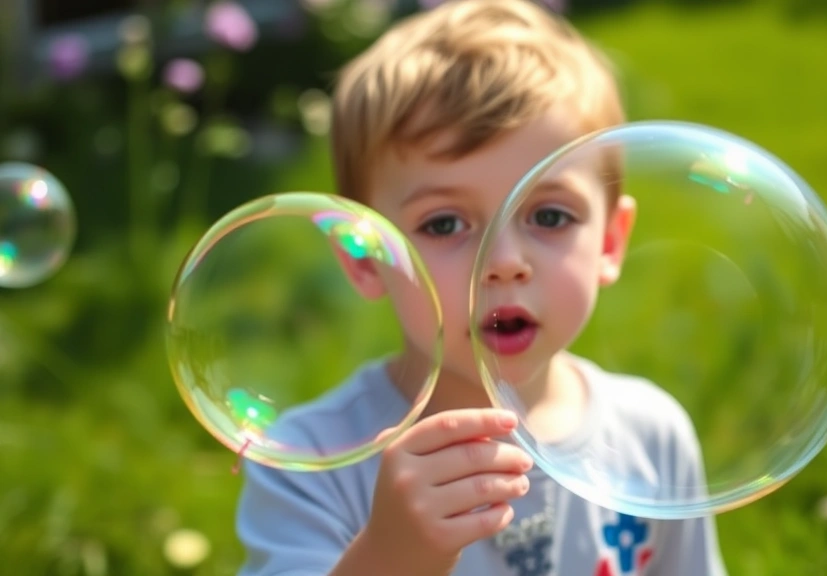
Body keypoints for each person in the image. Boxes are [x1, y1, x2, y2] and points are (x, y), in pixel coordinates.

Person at [235, 1, 728, 574]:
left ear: (611, 243)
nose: (505, 262)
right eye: (445, 223)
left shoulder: (651, 436)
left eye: (549, 217)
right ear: (365, 256)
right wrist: (391, 556)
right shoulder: (312, 464)